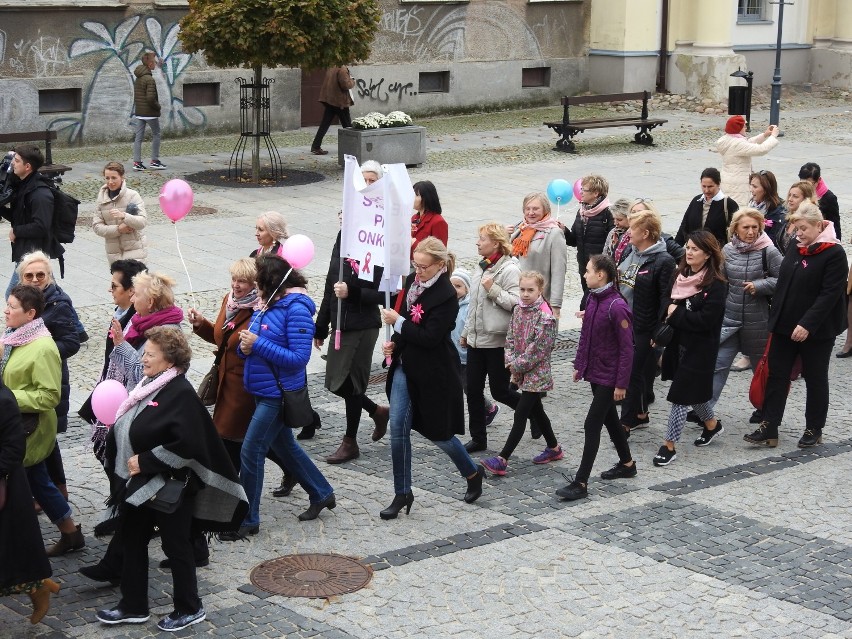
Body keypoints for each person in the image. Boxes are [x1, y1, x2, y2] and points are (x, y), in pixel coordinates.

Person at [97, 327, 247, 631]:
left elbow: (189, 444)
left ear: (169, 361)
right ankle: (133, 605)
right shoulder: (149, 384)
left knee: (177, 547)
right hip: (139, 486)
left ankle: (190, 608)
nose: (144, 358)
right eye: (144, 353)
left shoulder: (180, 393)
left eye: (150, 354)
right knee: (132, 540)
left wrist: (146, 461)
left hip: (171, 486)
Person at [227, 255, 336, 539]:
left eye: (257, 281)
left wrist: (258, 345)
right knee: (286, 447)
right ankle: (322, 492)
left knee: (251, 452)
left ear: (269, 281)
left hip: (278, 394)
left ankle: (248, 518)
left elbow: (299, 358)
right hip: (262, 389)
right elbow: (249, 342)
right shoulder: (267, 303)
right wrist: (245, 348)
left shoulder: (297, 309)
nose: (252, 286)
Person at [380, 237, 485, 519]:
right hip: (405, 366)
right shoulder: (413, 281)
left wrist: (398, 323)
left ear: (440, 265)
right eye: (416, 265)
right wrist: (393, 344)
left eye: (424, 267)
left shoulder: (447, 295)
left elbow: (429, 338)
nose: (418, 271)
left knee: (438, 432)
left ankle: (472, 472)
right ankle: (402, 492)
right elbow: (405, 324)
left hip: (433, 371)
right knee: (398, 427)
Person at [744, 203, 848, 449]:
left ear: (819, 226)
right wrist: (776, 320)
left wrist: (807, 324)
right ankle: (769, 426)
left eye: (803, 228)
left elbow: (830, 295)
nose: (798, 233)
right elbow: (784, 284)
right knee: (777, 375)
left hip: (817, 331)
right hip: (785, 326)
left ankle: (814, 427)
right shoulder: (795, 246)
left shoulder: (834, 253)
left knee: (815, 377)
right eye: (796, 228)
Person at [188, 259, 291, 487]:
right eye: (234, 279)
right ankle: (292, 469)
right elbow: (222, 339)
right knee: (260, 440)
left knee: (229, 437)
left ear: (255, 284)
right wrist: (200, 324)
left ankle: (226, 488)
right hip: (225, 381)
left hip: (245, 385)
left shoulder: (261, 308)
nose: (236, 285)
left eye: (242, 281)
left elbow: (265, 347)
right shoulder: (230, 301)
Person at [2, 285, 85, 556]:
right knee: (40, 481)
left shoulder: (42, 347)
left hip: (31, 430)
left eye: (12, 307)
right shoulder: (16, 336)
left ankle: (22, 549)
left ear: (31, 313)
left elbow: (49, 396)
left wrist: (6, 397)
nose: (6, 310)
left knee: (19, 488)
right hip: (18, 424)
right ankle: (71, 534)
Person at [77, 258, 147, 536]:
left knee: (115, 452)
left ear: (132, 291)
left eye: (115, 285)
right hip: (110, 389)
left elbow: (138, 367)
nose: (110, 290)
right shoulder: (121, 313)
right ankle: (120, 504)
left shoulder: (138, 322)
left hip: (125, 394)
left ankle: (124, 508)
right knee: (105, 449)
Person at [314, 212, 389, 464]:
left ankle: (350, 442)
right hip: (339, 324)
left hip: (363, 325)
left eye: (348, 213)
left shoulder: (375, 244)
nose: (342, 217)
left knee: (352, 383)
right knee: (336, 382)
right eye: (340, 213)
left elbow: (386, 293)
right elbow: (330, 283)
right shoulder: (341, 238)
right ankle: (376, 411)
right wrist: (321, 325)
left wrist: (353, 292)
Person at [557, 256, 635, 501]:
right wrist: (580, 365)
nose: (584, 274)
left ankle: (581, 482)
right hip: (596, 372)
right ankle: (627, 463)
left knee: (592, 424)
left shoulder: (616, 306)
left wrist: (621, 383)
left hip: (609, 376)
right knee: (610, 419)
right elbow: (586, 337)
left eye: (588, 271)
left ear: (601, 274)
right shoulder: (592, 298)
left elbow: (627, 348)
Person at [653, 230, 727, 467]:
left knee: (680, 395)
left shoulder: (716, 285)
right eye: (688, 247)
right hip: (678, 343)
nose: (689, 252)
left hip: (701, 348)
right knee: (694, 393)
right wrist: (670, 314)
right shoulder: (680, 273)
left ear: (707, 254)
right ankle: (712, 425)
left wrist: (678, 313)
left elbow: (706, 321)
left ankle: (669, 446)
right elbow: (665, 301)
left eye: (695, 249)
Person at [480, 270, 562, 476]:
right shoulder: (518, 310)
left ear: (540, 290)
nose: (525, 294)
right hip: (520, 370)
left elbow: (538, 350)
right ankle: (554, 448)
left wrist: (516, 365)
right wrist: (510, 361)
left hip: (537, 374)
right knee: (538, 412)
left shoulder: (545, 316)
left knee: (521, 414)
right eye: (522, 289)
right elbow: (510, 338)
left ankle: (502, 459)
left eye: (530, 290)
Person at [17, 252, 81, 509]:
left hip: (49, 379)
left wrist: (40, 352)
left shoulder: (58, 303)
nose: (35, 279)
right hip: (28, 380)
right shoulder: (21, 299)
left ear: (49, 277)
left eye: (40, 275)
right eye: (29, 275)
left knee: (45, 436)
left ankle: (55, 495)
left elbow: (72, 342)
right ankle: (52, 492)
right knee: (44, 437)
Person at [710, 209, 781, 421]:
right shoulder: (728, 250)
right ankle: (704, 409)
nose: (751, 232)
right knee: (718, 364)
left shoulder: (769, 251)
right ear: (735, 229)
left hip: (758, 321)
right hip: (730, 318)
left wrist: (759, 286)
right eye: (746, 227)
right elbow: (720, 279)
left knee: (762, 370)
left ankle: (766, 410)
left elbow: (784, 280)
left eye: (754, 227)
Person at [0, 380, 59, 625]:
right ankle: (38, 585)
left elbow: (14, 449)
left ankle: (38, 587)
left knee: (12, 554)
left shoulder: (3, 400)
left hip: (6, 490)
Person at [617, 203, 676, 436]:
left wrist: (658, 330)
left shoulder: (663, 261)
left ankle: (625, 423)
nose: (628, 232)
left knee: (631, 373)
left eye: (633, 228)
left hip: (643, 325)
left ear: (646, 233)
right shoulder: (629, 251)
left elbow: (665, 298)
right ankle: (641, 414)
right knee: (638, 372)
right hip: (623, 323)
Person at [460, 223, 520, 453]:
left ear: (495, 243)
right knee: (473, 390)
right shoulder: (482, 266)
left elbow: (517, 303)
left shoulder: (509, 269)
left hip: (496, 342)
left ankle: (531, 411)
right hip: (477, 341)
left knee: (500, 391)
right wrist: (466, 332)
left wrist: (493, 289)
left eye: (482, 239)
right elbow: (474, 305)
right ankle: (478, 438)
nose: (477, 242)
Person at [0, 145, 60, 298]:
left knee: (14, 296)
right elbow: (18, 217)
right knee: (46, 295)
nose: (13, 163)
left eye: (17, 160)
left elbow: (41, 226)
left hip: (35, 253)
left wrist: (16, 231)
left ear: (27, 167)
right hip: (25, 251)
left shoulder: (40, 194)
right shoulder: (24, 186)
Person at [107, 271, 183, 389]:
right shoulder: (142, 322)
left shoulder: (164, 335)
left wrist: (121, 345)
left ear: (150, 302)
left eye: (136, 295)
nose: (132, 299)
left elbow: (143, 377)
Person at [449, 269, 497, 426]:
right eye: (452, 285)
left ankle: (490, 408)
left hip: (467, 355)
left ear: (467, 289)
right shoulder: (448, 304)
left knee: (469, 388)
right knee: (458, 386)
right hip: (453, 354)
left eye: (458, 286)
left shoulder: (469, 306)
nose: (454, 289)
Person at [509, 193, 567, 319]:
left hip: (541, 301)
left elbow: (559, 271)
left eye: (535, 209)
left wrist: (556, 305)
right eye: (527, 209)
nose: (531, 213)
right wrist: (505, 237)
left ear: (545, 210)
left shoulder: (554, 233)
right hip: (517, 298)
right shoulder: (520, 228)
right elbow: (508, 256)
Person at [564, 175, 614, 310]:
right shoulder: (582, 212)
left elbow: (612, 243)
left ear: (595, 193)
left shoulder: (608, 213)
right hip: (584, 267)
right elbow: (574, 240)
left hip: (600, 268)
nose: (580, 193)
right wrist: (564, 231)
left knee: (587, 304)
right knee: (590, 303)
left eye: (584, 190)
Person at [715, 116, 779, 206]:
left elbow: (747, 143)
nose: (746, 128)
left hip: (729, 179)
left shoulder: (727, 139)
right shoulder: (737, 143)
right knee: (739, 208)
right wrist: (773, 137)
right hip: (738, 184)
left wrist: (764, 135)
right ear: (739, 128)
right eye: (744, 126)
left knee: (729, 205)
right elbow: (761, 150)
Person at [92, 161, 148, 264]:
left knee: (135, 280)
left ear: (122, 177)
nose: (110, 182)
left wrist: (124, 216)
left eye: (114, 178)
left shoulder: (133, 195)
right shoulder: (101, 199)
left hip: (135, 251)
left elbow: (142, 222)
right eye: (107, 178)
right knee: (117, 280)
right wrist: (118, 229)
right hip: (114, 253)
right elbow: (97, 227)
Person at [675, 167, 740, 250]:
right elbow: (684, 226)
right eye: (703, 186)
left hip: (716, 253)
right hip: (694, 251)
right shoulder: (696, 201)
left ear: (718, 184)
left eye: (710, 186)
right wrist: (676, 248)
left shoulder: (729, 204)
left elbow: (737, 231)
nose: (706, 190)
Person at [310, 66, 355, 155]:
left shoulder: (332, 66)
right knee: (348, 126)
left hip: (331, 100)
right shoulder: (342, 69)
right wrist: (353, 81)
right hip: (340, 102)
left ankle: (316, 146)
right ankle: (353, 146)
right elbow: (346, 85)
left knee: (325, 124)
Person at [132, 51, 166, 171]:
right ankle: (154, 161)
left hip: (140, 112)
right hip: (150, 113)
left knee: (138, 137)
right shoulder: (149, 79)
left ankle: (137, 162)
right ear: (150, 63)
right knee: (156, 134)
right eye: (155, 62)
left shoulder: (139, 77)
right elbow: (150, 98)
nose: (156, 64)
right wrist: (158, 107)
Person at [798, 162, 840, 240]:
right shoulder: (798, 193)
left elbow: (835, 227)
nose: (805, 187)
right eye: (802, 183)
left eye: (809, 184)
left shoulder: (829, 198)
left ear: (818, 180)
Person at [777, 181, 817, 255]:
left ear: (805, 200)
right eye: (789, 195)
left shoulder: (810, 223)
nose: (790, 199)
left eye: (795, 196)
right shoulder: (787, 219)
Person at [411, 180, 449, 257]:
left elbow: (439, 253)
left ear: (426, 198)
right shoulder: (414, 218)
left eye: (416, 195)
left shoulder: (438, 222)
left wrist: (414, 243)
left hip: (425, 266)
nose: (412, 198)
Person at [747, 170, 786, 245]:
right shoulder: (751, 205)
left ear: (766, 189)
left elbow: (774, 240)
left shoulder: (778, 212)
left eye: (755, 187)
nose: (751, 190)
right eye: (751, 185)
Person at [602, 198, 633, 265]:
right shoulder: (613, 232)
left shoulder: (634, 236)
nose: (615, 223)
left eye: (619, 220)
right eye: (614, 219)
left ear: (630, 218)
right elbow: (605, 254)